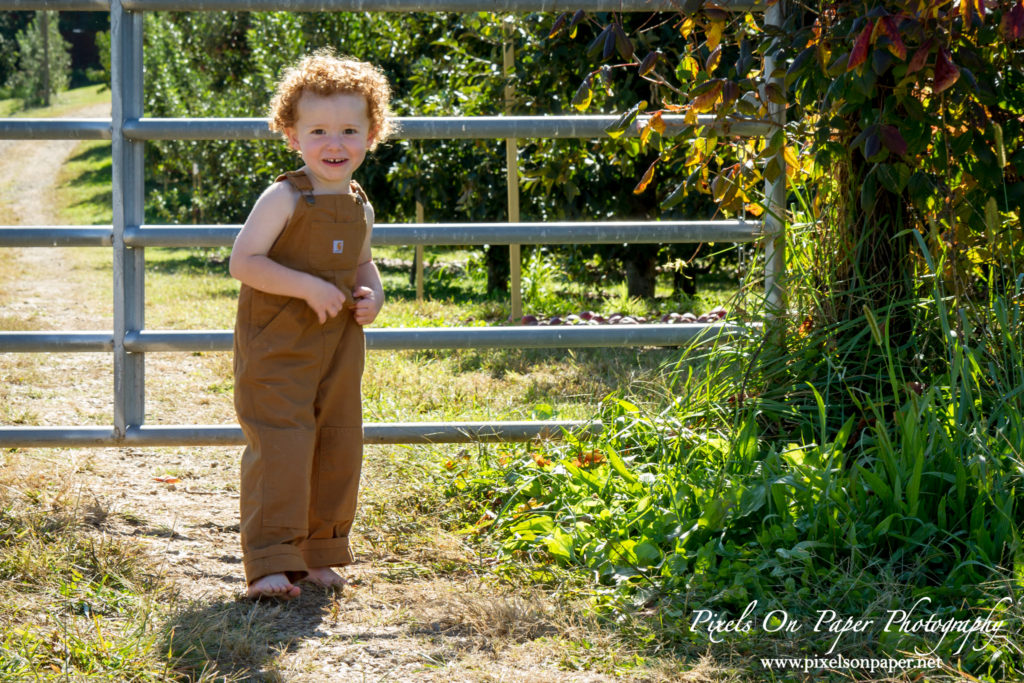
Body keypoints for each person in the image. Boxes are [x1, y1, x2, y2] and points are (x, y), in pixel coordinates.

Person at [229, 50, 393, 600]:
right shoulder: (284, 197)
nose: (335, 144)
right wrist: (307, 286)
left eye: (350, 130)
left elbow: (362, 262)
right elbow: (244, 262)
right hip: (277, 344)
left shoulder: (359, 204)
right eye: (318, 130)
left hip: (338, 345)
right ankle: (271, 561)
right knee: (283, 445)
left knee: (337, 443)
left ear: (372, 134)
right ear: (291, 135)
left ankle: (320, 552)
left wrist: (374, 293)